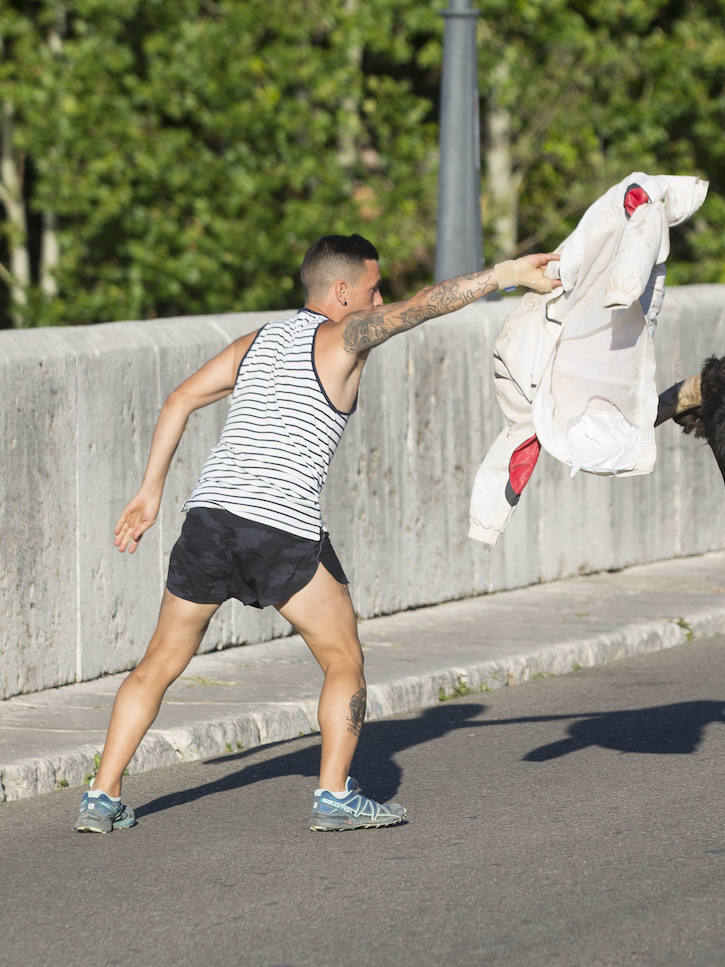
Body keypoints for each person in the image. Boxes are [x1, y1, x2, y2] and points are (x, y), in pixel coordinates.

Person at [75, 235, 559, 833]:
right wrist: (509, 273)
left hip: (208, 520)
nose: (380, 298)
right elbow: (430, 302)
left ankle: (101, 795)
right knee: (343, 659)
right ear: (342, 292)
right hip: (280, 529)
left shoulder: (255, 343)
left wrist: (150, 492)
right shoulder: (343, 339)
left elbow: (178, 400)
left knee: (156, 665)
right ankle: (333, 796)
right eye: (374, 288)